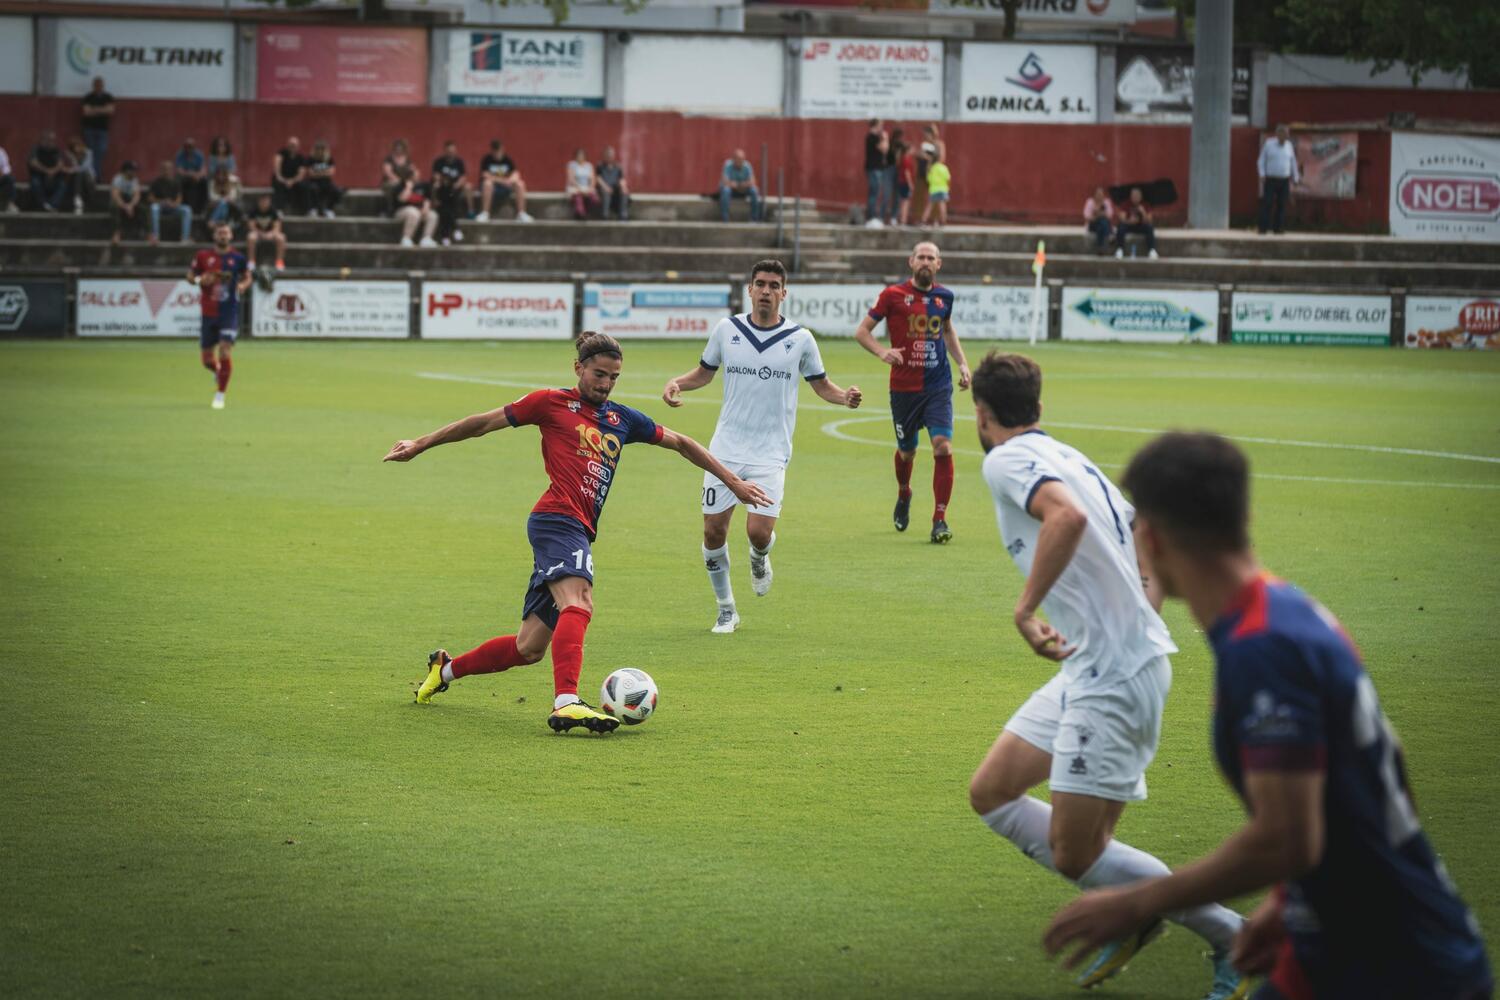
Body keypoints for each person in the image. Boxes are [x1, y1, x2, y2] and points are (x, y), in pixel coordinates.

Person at [1044, 431, 1492, 1000]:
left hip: (1394, 965)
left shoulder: (1262, 648)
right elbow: (1382, 769)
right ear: (1242, 516)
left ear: (1150, 538)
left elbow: (1286, 839)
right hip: (1348, 944)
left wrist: (1138, 902)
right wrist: (1288, 904)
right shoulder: (1288, 607)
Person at [967, 356, 1247, 999]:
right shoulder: (1069, 455)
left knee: (1078, 852)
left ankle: (1233, 937)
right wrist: (1132, 620)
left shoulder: (1006, 459)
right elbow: (1146, 535)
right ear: (1038, 407)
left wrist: (1026, 609)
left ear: (982, 414)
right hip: (1098, 662)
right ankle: (1136, 917)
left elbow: (1066, 519)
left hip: (1113, 676)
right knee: (994, 791)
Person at [386, 333, 774, 733]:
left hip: (577, 530)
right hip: (557, 520)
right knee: (580, 599)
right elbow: (481, 424)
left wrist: (733, 482)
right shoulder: (549, 402)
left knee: (529, 647)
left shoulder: (622, 419)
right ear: (578, 368)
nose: (605, 384)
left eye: (614, 377)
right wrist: (421, 443)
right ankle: (566, 702)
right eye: (598, 374)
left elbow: (681, 442)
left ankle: (445, 670)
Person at [661, 259, 863, 634]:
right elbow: (704, 373)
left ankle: (760, 555)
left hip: (771, 451)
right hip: (726, 448)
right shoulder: (727, 330)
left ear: (784, 293)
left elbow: (822, 385)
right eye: (760, 284)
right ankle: (726, 610)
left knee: (757, 532)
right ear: (750, 290)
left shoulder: (800, 338)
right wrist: (678, 383)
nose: (766, 291)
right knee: (713, 532)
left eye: (773, 285)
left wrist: (844, 398)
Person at [852, 241, 971, 544]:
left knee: (943, 447)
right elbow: (862, 332)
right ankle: (904, 492)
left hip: (938, 386)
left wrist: (962, 363)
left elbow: (947, 330)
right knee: (907, 452)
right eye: (921, 257)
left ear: (938, 264)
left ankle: (939, 519)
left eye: (931, 258)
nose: (926, 262)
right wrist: (882, 352)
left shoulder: (945, 297)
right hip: (904, 389)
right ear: (911, 262)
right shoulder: (892, 295)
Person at [188, 222, 251, 410]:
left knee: (224, 350)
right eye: (220, 233)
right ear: (214, 236)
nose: (223, 236)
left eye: (226, 233)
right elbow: (190, 276)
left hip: (228, 311)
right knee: (207, 360)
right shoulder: (202, 256)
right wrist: (199, 279)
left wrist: (243, 286)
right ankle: (217, 371)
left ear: (231, 236)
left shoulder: (238, 258)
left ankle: (220, 395)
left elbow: (248, 276)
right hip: (208, 312)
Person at [473, 139, 533, 222]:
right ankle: (485, 213)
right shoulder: (487, 160)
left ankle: (521, 213)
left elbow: (516, 174)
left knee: (520, 184)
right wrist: (503, 181)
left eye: (499, 150)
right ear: (492, 151)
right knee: (487, 183)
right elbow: (485, 175)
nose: (498, 153)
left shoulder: (507, 160)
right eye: (495, 151)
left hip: (506, 187)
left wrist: (509, 181)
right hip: (492, 188)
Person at [1258, 124, 1300, 235]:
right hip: (1270, 179)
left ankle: (1278, 228)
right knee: (1267, 203)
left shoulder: (1289, 146)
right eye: (1284, 134)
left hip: (1284, 180)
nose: (1286, 136)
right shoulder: (1269, 144)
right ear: (1278, 134)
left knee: (1282, 204)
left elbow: (1293, 162)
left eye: (1287, 134)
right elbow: (1261, 160)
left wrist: (1295, 177)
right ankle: (1263, 228)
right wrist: (1262, 174)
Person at [430, 139, 467, 244]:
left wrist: (457, 184)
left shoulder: (459, 162)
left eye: (452, 151)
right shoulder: (439, 162)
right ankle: (456, 229)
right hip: (442, 191)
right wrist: (443, 181)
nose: (451, 153)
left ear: (455, 151)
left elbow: (463, 177)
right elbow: (436, 176)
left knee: (445, 209)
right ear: (445, 151)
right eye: (449, 151)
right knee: (446, 208)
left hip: (454, 190)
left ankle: (445, 236)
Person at [148, 160, 192, 245]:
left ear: (172, 170)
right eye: (164, 169)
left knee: (187, 209)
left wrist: (174, 204)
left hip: (173, 207)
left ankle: (185, 238)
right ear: (161, 170)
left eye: (168, 169)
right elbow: (150, 198)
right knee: (154, 208)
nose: (166, 171)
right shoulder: (156, 182)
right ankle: (156, 236)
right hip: (161, 207)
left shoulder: (176, 182)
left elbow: (179, 198)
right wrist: (162, 201)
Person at [80, 77, 114, 181]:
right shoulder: (88, 97)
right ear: (93, 86)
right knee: (89, 153)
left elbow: (110, 111)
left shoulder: (108, 97)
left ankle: (96, 175)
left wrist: (94, 109)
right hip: (89, 129)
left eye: (100, 85)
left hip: (102, 129)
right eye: (96, 85)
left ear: (103, 86)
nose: (98, 87)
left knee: (101, 151)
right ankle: (92, 176)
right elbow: (86, 112)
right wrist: (102, 110)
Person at [392, 172, 437, 247]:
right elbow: (402, 199)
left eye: (417, 175)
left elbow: (427, 200)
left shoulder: (423, 186)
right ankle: (406, 238)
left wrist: (425, 208)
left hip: (419, 211)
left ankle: (426, 239)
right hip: (401, 212)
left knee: (432, 215)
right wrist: (408, 188)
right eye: (413, 176)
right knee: (413, 212)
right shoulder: (400, 186)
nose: (416, 177)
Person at [28, 131, 69, 213]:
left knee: (62, 184)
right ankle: (43, 204)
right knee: (35, 183)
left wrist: (52, 171)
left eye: (53, 140)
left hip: (54, 177)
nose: (51, 142)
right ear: (43, 139)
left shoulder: (56, 150)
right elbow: (33, 163)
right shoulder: (36, 149)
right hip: (39, 176)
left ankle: (52, 205)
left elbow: (60, 164)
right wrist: (47, 171)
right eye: (49, 140)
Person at [1114, 187, 1159, 259]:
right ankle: (1120, 250)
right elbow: (1122, 218)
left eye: (1137, 195)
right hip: (1129, 225)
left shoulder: (1145, 205)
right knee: (1121, 227)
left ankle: (1152, 250)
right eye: (1133, 195)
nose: (1135, 197)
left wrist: (1143, 212)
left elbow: (1149, 220)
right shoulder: (1126, 204)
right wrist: (1129, 221)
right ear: (1130, 196)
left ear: (1141, 196)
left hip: (1141, 225)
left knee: (1149, 227)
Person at [718, 149, 761, 223]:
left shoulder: (747, 166)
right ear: (733, 159)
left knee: (754, 190)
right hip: (731, 190)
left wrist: (742, 185)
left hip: (743, 189)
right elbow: (724, 181)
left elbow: (753, 181)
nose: (740, 161)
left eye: (742, 159)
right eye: (738, 159)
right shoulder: (728, 165)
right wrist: (735, 185)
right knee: (725, 190)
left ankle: (754, 219)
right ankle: (725, 219)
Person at [245, 193, 286, 270]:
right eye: (262, 201)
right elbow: (251, 226)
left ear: (269, 202)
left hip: (271, 233)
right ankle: (251, 261)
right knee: (250, 237)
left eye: (266, 201)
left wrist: (271, 234)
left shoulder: (274, 211)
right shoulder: (253, 211)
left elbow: (277, 226)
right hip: (257, 233)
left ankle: (279, 261)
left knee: (281, 238)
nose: (264, 203)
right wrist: (261, 233)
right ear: (259, 202)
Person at [108, 160, 143, 243]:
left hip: (129, 202)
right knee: (114, 207)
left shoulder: (135, 180)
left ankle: (149, 234)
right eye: (133, 170)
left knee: (143, 208)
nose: (135, 172)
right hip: (119, 202)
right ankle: (116, 234)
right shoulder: (118, 179)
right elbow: (115, 196)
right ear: (127, 171)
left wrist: (131, 206)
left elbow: (137, 195)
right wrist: (125, 207)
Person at [271, 137, 307, 216]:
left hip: (294, 180)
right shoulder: (281, 153)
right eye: (291, 145)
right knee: (279, 185)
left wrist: (292, 181)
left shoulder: (300, 157)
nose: (292, 147)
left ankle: (305, 210)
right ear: (287, 145)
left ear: (298, 146)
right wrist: (282, 179)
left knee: (304, 186)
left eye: (294, 145)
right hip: (281, 178)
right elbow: (277, 168)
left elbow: (301, 173)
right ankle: (279, 209)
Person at [304, 139, 340, 218]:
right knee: (312, 189)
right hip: (314, 182)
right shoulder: (311, 159)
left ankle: (329, 209)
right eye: (318, 149)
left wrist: (318, 173)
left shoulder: (329, 159)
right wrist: (324, 172)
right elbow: (311, 174)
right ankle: (313, 210)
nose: (320, 151)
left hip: (326, 182)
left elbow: (331, 172)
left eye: (322, 149)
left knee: (337, 191)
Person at [864, 119, 889, 227]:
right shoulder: (872, 137)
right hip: (874, 169)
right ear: (875, 125)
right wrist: (886, 138)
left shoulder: (873, 137)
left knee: (875, 193)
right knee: (874, 193)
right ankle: (871, 217)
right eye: (880, 125)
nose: (881, 128)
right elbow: (884, 149)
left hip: (875, 169)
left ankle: (872, 216)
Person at [380, 139, 415, 217]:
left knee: (410, 187)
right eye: (397, 148)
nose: (398, 150)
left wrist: (409, 180)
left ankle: (401, 208)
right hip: (390, 182)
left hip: (403, 183)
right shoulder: (389, 159)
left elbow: (413, 171)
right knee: (392, 186)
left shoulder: (407, 160)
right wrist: (397, 180)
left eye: (400, 148)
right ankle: (388, 210)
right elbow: (387, 172)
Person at [175, 138, 208, 216]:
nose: (189, 149)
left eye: (191, 147)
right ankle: (181, 206)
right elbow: (179, 171)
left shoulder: (199, 155)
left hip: (197, 177)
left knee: (205, 182)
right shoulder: (180, 155)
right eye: (187, 147)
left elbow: (203, 170)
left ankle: (203, 208)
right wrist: (191, 174)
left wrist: (198, 175)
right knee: (179, 181)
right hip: (185, 177)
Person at [595, 146, 629, 221]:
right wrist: (606, 187)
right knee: (606, 192)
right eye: (608, 154)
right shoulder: (600, 166)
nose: (609, 156)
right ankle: (605, 214)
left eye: (611, 155)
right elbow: (598, 179)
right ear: (604, 155)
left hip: (615, 187)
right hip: (603, 187)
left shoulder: (618, 166)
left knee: (624, 192)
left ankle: (623, 214)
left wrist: (623, 187)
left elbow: (621, 179)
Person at [919, 145, 950, 228]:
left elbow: (929, 179)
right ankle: (943, 222)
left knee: (929, 206)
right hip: (943, 189)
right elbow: (948, 178)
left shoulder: (932, 168)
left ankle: (923, 221)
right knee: (942, 206)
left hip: (934, 189)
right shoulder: (944, 167)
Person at [565, 147, 599, 220]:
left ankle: (588, 212)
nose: (580, 157)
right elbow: (571, 179)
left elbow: (593, 179)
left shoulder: (589, 165)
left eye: (582, 155)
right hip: (575, 187)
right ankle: (581, 214)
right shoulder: (572, 165)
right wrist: (580, 189)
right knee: (578, 197)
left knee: (594, 199)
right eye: (579, 155)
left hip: (586, 187)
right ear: (575, 156)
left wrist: (590, 188)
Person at [65, 137, 95, 214]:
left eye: (78, 146)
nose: (77, 148)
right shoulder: (71, 154)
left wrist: (74, 169)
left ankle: (78, 202)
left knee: (81, 174)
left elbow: (86, 167)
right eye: (74, 147)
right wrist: (73, 158)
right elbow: (73, 166)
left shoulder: (88, 152)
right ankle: (78, 201)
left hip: (88, 176)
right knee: (79, 175)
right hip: (74, 178)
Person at [1083, 186, 1114, 253]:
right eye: (1098, 194)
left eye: (1101, 194)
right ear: (1094, 195)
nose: (1100, 196)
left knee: (1101, 226)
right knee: (1103, 222)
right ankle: (1110, 235)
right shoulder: (1090, 202)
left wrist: (1102, 214)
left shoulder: (1106, 202)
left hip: (1101, 225)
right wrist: (1097, 216)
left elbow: (1110, 215)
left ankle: (1100, 247)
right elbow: (1086, 216)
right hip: (1093, 224)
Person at [893, 139, 915, 227]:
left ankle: (902, 219)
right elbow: (907, 173)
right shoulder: (907, 159)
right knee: (906, 201)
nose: (913, 150)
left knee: (903, 201)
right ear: (908, 150)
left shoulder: (903, 158)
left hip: (902, 182)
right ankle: (903, 220)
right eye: (912, 148)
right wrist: (910, 184)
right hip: (905, 183)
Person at [0, 146, 15, 214]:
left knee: (10, 179)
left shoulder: (1, 151)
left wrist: (2, 173)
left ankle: (10, 204)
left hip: (1, 177)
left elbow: (6, 166)